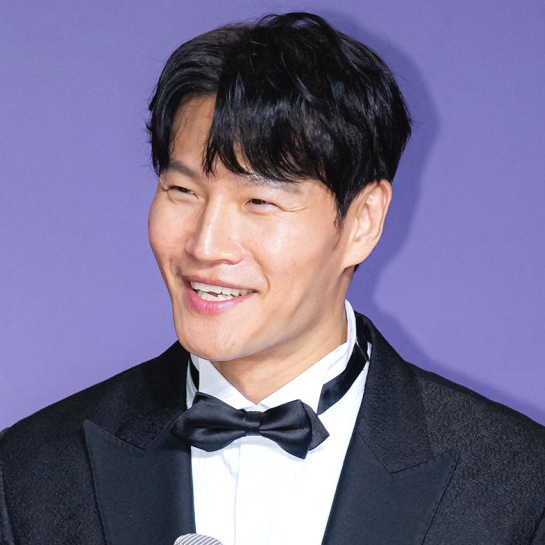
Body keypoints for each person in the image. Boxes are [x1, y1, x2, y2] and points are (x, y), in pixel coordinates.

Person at [1, 12, 544, 545]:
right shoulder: (29, 474)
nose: (205, 246)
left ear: (363, 221)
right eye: (182, 191)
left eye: (259, 201)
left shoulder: (518, 486)